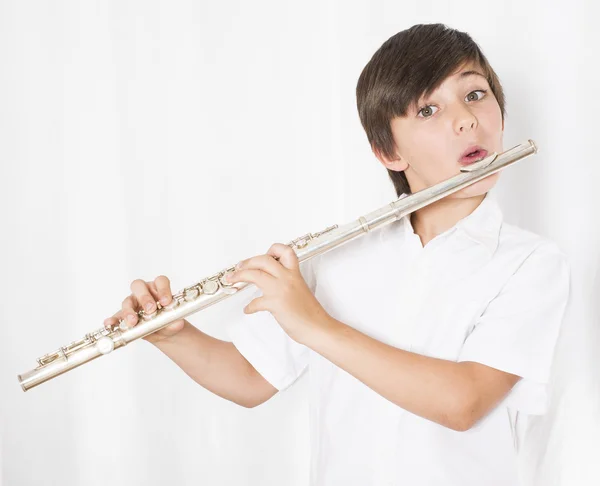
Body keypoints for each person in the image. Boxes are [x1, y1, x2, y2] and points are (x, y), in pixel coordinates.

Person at [103, 23, 571, 485]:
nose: (466, 119)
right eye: (428, 109)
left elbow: (464, 402)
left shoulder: (530, 264)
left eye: (474, 95)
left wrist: (313, 324)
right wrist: (172, 335)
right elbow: (249, 378)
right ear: (388, 152)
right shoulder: (340, 256)